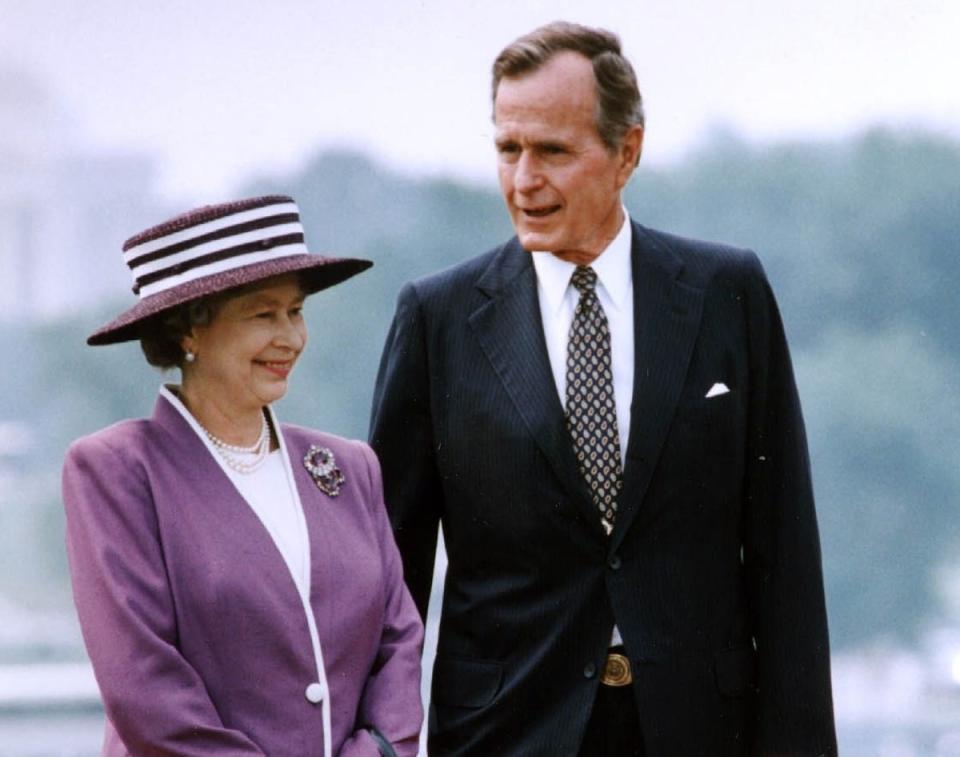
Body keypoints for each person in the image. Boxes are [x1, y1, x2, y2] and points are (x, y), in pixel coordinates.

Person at [370, 21, 836, 756]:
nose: (524, 180)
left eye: (552, 151)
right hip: (505, 734)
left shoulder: (727, 292)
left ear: (627, 152)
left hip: (704, 732)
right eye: (507, 149)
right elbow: (389, 580)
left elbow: (785, 556)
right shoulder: (438, 318)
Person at [63, 195, 423, 756]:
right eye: (263, 314)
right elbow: (143, 687)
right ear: (189, 331)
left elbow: (399, 642)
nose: (292, 338)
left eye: (296, 311)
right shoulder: (118, 471)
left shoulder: (349, 467)